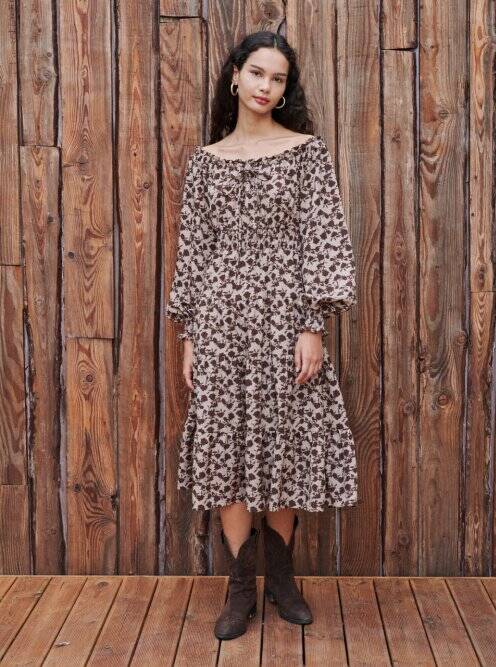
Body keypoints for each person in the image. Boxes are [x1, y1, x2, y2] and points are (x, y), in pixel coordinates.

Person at [165, 30, 358, 641]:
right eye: (256, 73)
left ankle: (282, 579)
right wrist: (190, 335)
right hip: (220, 325)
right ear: (234, 75)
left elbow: (323, 238)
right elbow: (194, 252)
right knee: (227, 448)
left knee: (284, 445)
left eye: (277, 78)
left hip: (285, 320)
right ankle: (240, 587)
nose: (265, 86)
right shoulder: (206, 162)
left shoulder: (306, 153)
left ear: (285, 89)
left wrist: (312, 324)